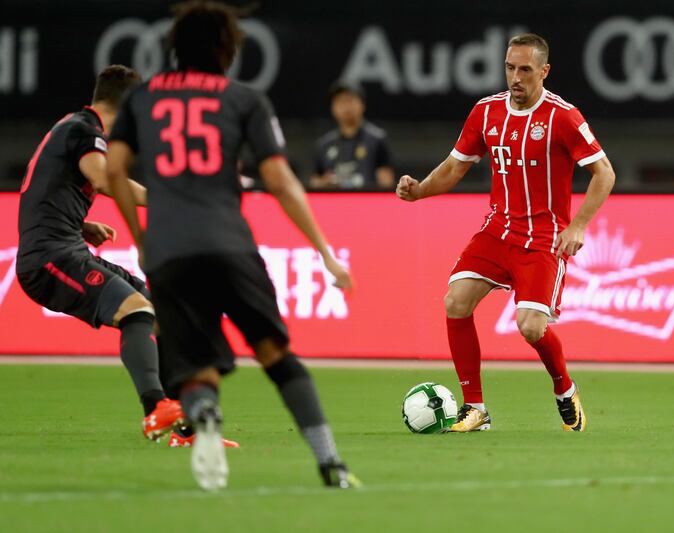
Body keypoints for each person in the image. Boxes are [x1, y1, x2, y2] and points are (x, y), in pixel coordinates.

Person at [106, 1, 359, 491]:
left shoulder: (141, 100)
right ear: (227, 49)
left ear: (174, 46)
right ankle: (330, 462)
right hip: (229, 245)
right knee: (276, 355)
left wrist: (142, 240)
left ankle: (203, 418)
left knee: (198, 368)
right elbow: (281, 182)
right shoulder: (244, 99)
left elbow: (115, 171)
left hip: (170, 253)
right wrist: (325, 251)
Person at [396, 33, 615, 433]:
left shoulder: (563, 117)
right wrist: (420, 190)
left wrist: (578, 225)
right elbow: (454, 166)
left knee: (531, 326)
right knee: (455, 301)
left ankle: (565, 389)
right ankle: (475, 409)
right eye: (510, 67)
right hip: (498, 230)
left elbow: (604, 172)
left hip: (544, 238)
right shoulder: (486, 112)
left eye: (525, 69)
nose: (516, 77)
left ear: (544, 71)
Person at [15, 65, 186, 442]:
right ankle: (156, 409)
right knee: (136, 310)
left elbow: (41, 189)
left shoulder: (71, 127)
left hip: (66, 246)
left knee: (157, 307)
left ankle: (181, 424)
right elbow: (105, 179)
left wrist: (80, 225)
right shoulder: (84, 133)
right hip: (49, 259)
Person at [309, 80, 394, 190]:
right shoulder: (323, 145)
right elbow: (314, 182)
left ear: (362, 104)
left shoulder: (377, 140)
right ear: (332, 107)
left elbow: (386, 184)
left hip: (367, 203)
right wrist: (324, 183)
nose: (346, 106)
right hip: (334, 204)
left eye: (350, 100)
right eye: (340, 101)